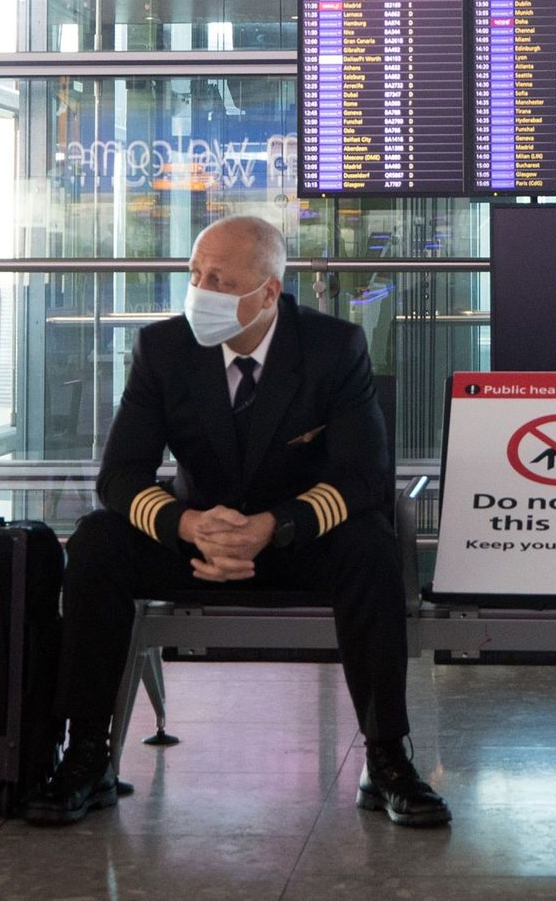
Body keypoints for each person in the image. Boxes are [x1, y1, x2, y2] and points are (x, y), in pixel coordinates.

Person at [25, 216, 450, 828]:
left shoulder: (334, 348)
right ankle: (87, 755)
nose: (200, 289)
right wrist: (187, 524)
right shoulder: (163, 349)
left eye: (219, 279)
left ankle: (386, 758)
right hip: (197, 539)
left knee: (371, 545)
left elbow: (364, 478)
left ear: (269, 292)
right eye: (195, 273)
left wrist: (273, 526)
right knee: (97, 543)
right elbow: (119, 477)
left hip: (297, 541)